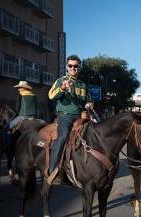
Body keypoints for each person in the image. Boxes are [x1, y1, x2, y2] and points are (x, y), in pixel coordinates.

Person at [48, 54, 93, 182]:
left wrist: (89, 104)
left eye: (76, 66)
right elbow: (51, 95)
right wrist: (62, 88)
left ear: (79, 67)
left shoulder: (83, 85)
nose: (73, 68)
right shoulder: (61, 80)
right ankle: (53, 170)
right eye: (70, 66)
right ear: (67, 67)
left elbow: (88, 100)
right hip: (65, 116)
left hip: (80, 117)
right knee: (62, 137)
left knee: (94, 134)